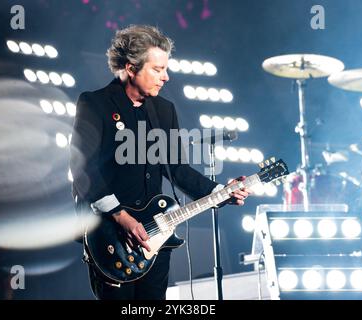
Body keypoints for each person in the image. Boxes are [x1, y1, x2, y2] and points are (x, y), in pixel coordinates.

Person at [70, 25, 249, 300]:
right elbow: (84, 170)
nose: (166, 77)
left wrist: (219, 192)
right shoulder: (95, 104)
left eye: (166, 68)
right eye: (157, 69)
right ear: (131, 68)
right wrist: (122, 216)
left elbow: (177, 169)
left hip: (156, 237)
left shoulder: (164, 110)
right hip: (110, 237)